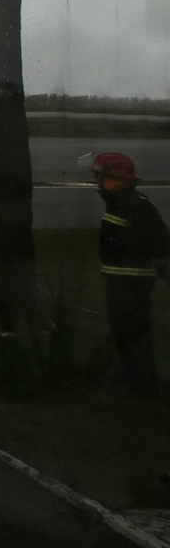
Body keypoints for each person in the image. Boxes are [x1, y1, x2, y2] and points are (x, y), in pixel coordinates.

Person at [92, 152, 167, 396]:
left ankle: (143, 385)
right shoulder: (125, 204)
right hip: (122, 279)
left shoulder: (134, 206)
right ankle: (134, 377)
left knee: (132, 331)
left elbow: (158, 243)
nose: (99, 184)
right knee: (124, 330)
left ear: (117, 180)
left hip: (132, 281)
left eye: (102, 178)